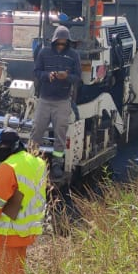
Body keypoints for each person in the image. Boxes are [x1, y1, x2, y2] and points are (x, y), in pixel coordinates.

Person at [0, 129, 48, 274]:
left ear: (9, 147)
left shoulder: (8, 167)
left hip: (10, 232)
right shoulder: (38, 162)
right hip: (29, 229)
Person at [29, 25, 81, 179]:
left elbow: (78, 77)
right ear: (54, 41)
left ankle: (57, 163)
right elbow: (36, 72)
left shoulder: (73, 55)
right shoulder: (44, 52)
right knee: (37, 129)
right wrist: (48, 75)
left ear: (68, 42)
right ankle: (31, 159)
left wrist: (67, 77)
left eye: (64, 43)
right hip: (44, 99)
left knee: (60, 133)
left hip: (63, 101)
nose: (61, 45)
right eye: (59, 42)